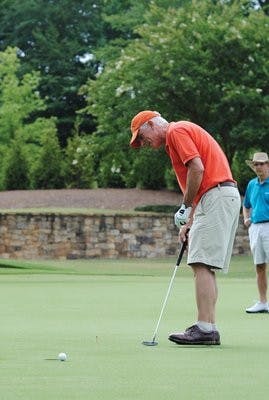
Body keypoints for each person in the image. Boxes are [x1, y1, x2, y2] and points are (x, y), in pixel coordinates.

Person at [130, 110, 241, 345]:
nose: (143, 144)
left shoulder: (176, 131)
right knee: (204, 263)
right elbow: (200, 179)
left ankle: (205, 328)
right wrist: (190, 220)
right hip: (217, 196)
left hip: (216, 195)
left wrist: (185, 207)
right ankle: (208, 327)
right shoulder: (174, 139)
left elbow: (197, 169)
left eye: (141, 137)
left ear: (151, 124)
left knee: (200, 262)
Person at [243, 152, 269, 313]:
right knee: (259, 266)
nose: (258, 166)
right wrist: (247, 219)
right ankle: (262, 302)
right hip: (255, 228)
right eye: (256, 164)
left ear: (268, 164)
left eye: (261, 163)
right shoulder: (252, 184)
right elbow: (246, 205)